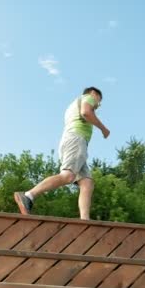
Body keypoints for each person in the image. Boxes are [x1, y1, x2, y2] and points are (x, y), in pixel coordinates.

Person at [14, 86, 110, 220]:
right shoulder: (88, 98)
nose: (98, 105)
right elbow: (86, 112)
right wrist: (103, 129)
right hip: (76, 140)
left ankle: (85, 220)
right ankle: (29, 195)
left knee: (87, 182)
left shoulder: (72, 105)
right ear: (93, 93)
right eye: (98, 100)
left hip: (73, 142)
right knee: (68, 176)